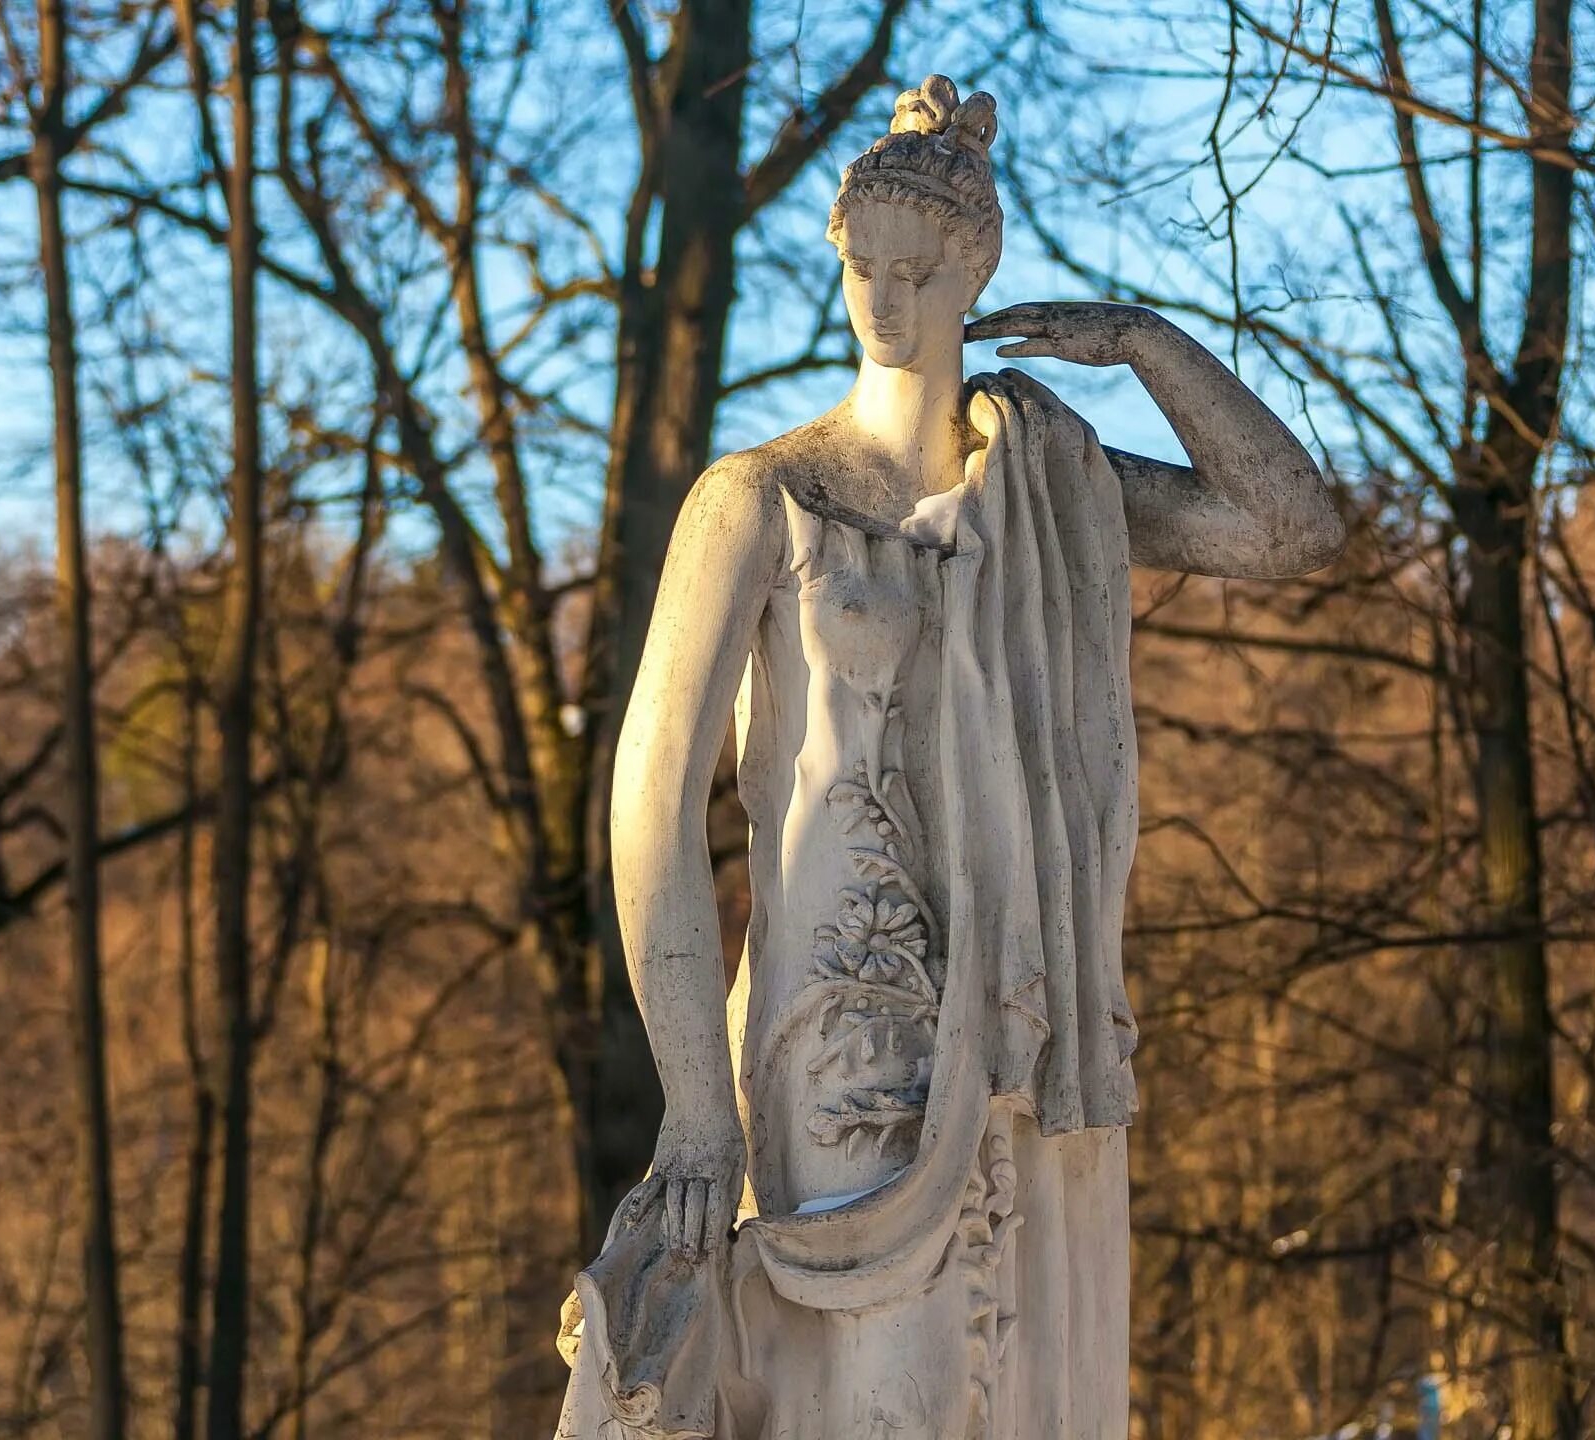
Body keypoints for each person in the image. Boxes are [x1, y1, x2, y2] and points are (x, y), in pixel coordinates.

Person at [558, 74, 1343, 1440]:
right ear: (838, 249)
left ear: (977, 263)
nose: (887, 301)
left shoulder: (1045, 478)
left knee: (1025, 1394)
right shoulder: (763, 497)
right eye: (866, 265)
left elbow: (1289, 531)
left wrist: (1145, 343)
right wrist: (694, 1101)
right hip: (839, 1029)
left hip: (1034, 1038)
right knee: (882, 1404)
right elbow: (652, 799)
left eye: (921, 271)